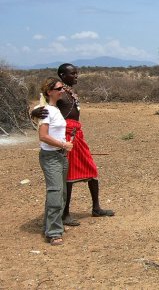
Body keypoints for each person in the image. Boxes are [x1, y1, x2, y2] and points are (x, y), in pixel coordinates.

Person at [32, 64, 114, 226]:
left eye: (76, 73)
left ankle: (96, 208)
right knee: (68, 175)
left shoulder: (68, 92)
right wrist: (33, 112)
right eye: (72, 74)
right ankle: (65, 213)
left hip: (77, 134)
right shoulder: (57, 93)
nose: (76, 76)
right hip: (67, 136)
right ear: (62, 75)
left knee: (92, 170)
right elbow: (41, 107)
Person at [37, 77, 74, 245]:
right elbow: (43, 136)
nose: (62, 91)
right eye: (59, 88)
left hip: (61, 155)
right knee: (55, 191)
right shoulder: (45, 111)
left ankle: (53, 224)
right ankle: (53, 232)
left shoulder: (55, 109)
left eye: (62, 88)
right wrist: (63, 144)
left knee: (61, 192)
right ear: (49, 91)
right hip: (51, 156)